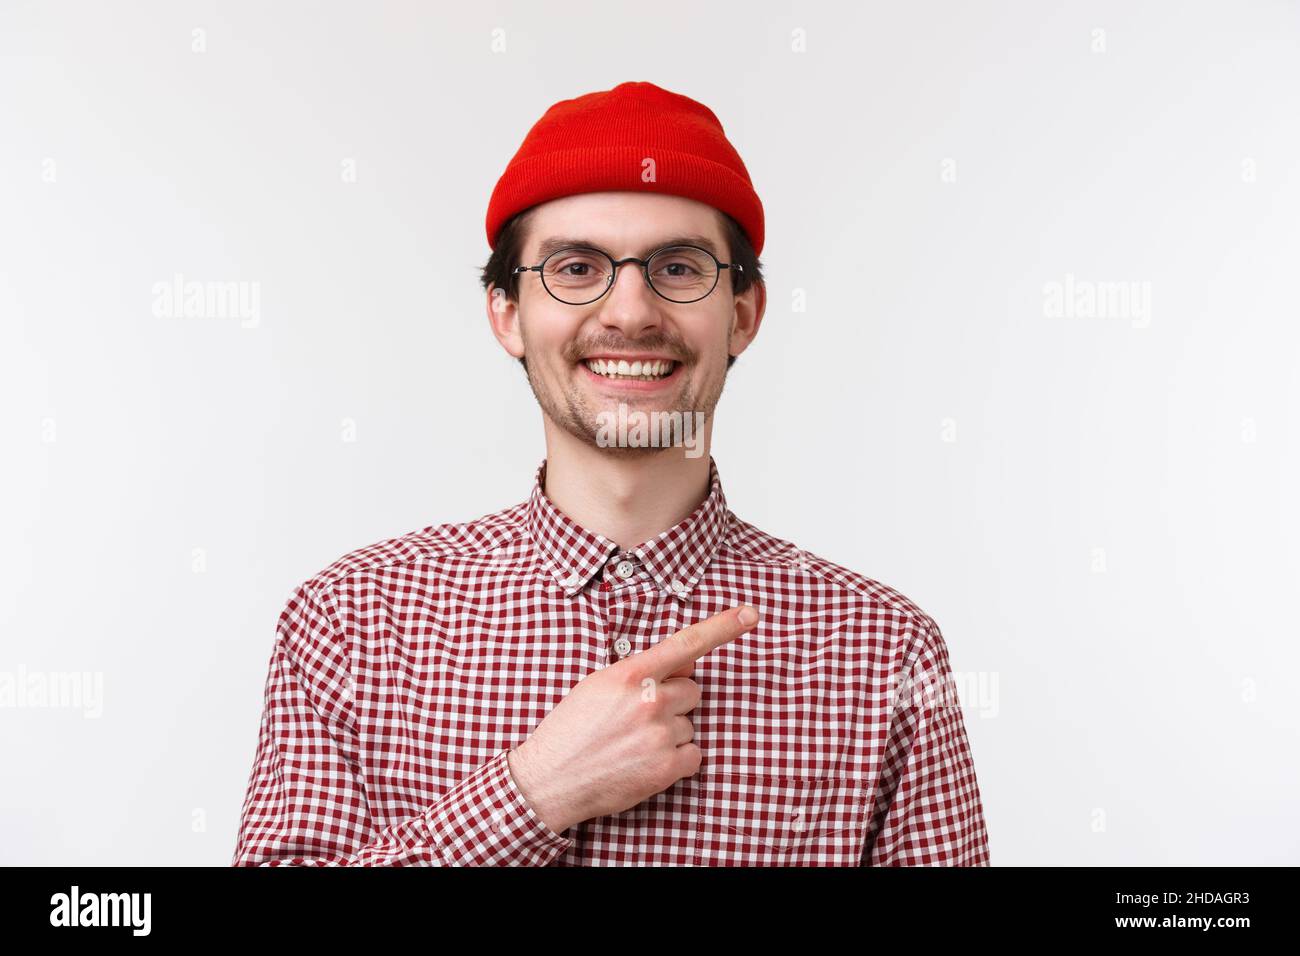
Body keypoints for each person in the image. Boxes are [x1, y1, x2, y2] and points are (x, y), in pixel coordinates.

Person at [232, 80, 990, 866]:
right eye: (576, 267)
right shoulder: (351, 623)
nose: (630, 312)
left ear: (743, 313)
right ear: (505, 314)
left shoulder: (883, 648)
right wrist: (532, 796)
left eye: (679, 267)